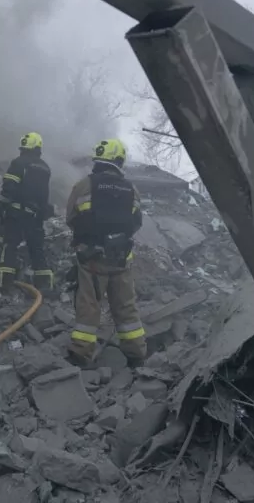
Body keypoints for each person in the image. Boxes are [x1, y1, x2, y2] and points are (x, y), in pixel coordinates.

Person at [65, 138, 147, 367]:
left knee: (89, 305)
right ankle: (136, 355)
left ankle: (81, 354)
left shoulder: (84, 185)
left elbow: (71, 218)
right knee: (126, 306)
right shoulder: (131, 189)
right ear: (119, 161)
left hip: (92, 259)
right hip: (121, 258)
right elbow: (136, 222)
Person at [0, 132, 54, 290]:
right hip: (35, 216)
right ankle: (45, 286)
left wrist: (1, 208)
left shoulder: (19, 162)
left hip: (17, 213)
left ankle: (3, 284)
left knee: (10, 245)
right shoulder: (45, 167)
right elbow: (44, 195)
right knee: (36, 249)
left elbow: (9, 187)